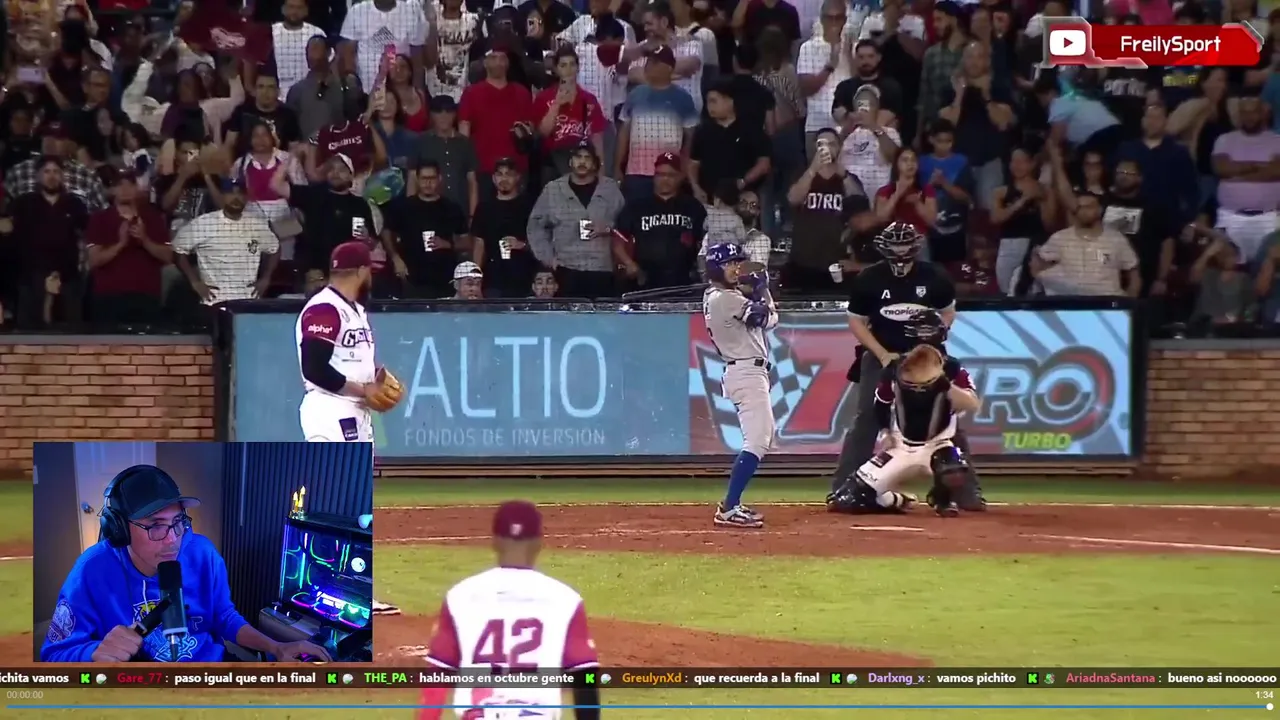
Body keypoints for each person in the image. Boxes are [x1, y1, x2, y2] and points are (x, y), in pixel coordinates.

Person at [40, 465, 330, 663]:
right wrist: (93, 653)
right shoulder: (91, 571)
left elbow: (224, 617)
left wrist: (276, 647)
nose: (172, 540)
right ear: (119, 530)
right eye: (155, 525)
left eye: (178, 522)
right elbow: (53, 654)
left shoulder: (202, 553)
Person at [833, 222, 984, 511]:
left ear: (915, 246)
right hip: (883, 354)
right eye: (895, 244)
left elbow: (947, 313)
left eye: (905, 244)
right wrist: (882, 354)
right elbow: (856, 321)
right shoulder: (869, 278)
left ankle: (968, 492)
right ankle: (842, 486)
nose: (900, 250)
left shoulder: (935, 276)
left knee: (949, 419)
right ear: (884, 246)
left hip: (926, 358)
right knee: (866, 418)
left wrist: (930, 347)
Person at [416, 501, 601, 720]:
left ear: (495, 541)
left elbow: (437, 677)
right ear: (538, 543)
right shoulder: (565, 599)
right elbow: (585, 677)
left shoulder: (460, 595)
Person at [826, 319, 983, 517]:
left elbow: (972, 403)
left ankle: (942, 499)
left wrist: (944, 385)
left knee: (954, 468)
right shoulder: (895, 368)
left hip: (938, 445)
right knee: (848, 500)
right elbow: (881, 404)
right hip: (900, 446)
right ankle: (896, 500)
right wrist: (885, 433)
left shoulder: (952, 369)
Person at [296, 242, 404, 444]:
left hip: (356, 411)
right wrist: (365, 389)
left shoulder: (354, 309)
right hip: (329, 410)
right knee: (330, 466)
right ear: (362, 271)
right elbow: (314, 369)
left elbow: (348, 357)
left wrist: (376, 376)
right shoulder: (325, 308)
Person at [703, 242, 778, 529]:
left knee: (762, 438)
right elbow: (768, 319)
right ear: (715, 268)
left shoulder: (719, 296)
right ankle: (729, 507)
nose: (736, 268)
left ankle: (732, 504)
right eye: (730, 264)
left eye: (737, 263)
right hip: (746, 372)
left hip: (747, 371)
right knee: (757, 441)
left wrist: (755, 292)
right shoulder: (725, 299)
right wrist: (763, 290)